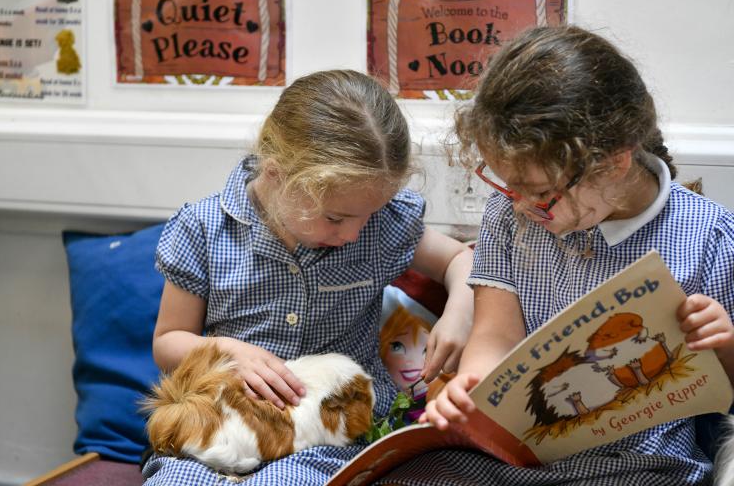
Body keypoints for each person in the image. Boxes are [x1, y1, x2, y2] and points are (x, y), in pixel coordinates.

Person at [379, 25, 734, 485]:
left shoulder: (709, 236)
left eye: (541, 192)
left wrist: (723, 342)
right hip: (510, 461)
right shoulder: (510, 216)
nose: (522, 205)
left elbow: (724, 394)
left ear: (615, 163)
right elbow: (494, 333)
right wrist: (473, 388)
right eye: (508, 186)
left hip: (637, 465)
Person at [142, 70, 474, 485]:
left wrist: (459, 310)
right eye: (335, 218)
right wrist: (226, 351)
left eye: (366, 216)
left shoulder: (383, 225)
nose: (354, 233)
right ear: (276, 174)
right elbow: (167, 342)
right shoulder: (203, 230)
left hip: (328, 437)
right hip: (218, 425)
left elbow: (459, 259)